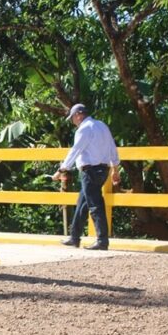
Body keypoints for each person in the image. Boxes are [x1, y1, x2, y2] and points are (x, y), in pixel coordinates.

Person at [52, 103, 121, 251]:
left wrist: (61, 170)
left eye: (72, 118)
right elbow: (112, 147)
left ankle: (102, 240)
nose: (73, 122)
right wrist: (115, 169)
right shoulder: (102, 125)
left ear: (78, 115)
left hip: (90, 171)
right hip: (103, 170)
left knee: (95, 205)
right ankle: (74, 237)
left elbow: (75, 150)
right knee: (82, 203)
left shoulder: (84, 129)